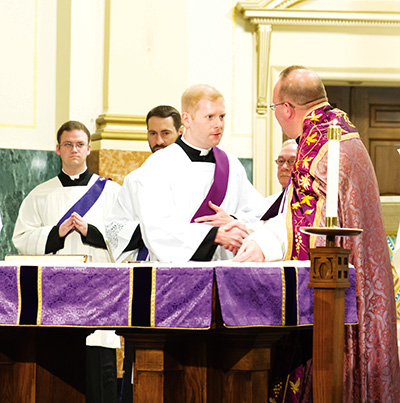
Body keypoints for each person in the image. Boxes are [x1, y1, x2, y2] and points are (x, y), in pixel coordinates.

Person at [229, 66, 400, 401]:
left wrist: (263, 245)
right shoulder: (340, 131)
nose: (277, 118)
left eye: (275, 110)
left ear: (288, 109)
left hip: (333, 291)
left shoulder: (316, 146)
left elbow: (313, 227)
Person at [12, 120, 122, 403]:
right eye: (68, 144)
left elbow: (128, 239)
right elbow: (21, 239)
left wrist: (92, 232)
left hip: (99, 295)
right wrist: (54, 233)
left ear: (88, 150)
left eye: (80, 144)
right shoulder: (40, 194)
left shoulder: (111, 192)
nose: (74, 149)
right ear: (57, 149)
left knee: (101, 374)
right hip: (55, 297)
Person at [110, 84, 266, 263]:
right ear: (187, 119)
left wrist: (232, 221)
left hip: (226, 271)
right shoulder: (158, 165)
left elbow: (257, 212)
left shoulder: (231, 165)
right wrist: (214, 235)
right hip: (175, 277)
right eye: (210, 117)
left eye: (222, 117)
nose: (219, 125)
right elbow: (157, 228)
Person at [105, 105, 182, 262]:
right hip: (149, 263)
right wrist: (149, 230)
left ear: (180, 132)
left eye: (165, 133)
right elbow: (114, 228)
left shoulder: (196, 174)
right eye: (152, 133)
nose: (158, 141)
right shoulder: (135, 179)